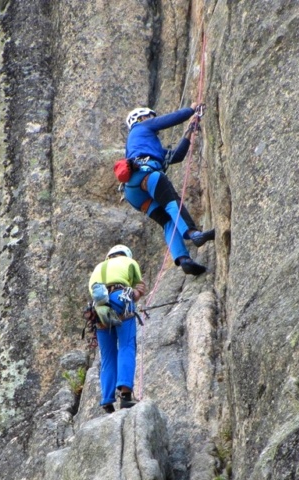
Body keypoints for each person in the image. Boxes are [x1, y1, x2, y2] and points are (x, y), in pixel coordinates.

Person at [123, 103, 215, 276]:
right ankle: (193, 233)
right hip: (147, 174)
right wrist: (191, 109)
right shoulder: (141, 126)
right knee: (172, 203)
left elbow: (176, 156)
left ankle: (184, 260)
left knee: (167, 222)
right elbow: (169, 120)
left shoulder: (144, 145)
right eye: (150, 116)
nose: (152, 119)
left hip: (133, 193)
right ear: (141, 117)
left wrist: (189, 131)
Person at [89, 244, 147, 413]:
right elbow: (138, 287)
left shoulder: (97, 268)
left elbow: (93, 290)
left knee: (107, 356)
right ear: (125, 254)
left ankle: (107, 400)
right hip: (121, 299)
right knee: (126, 346)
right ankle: (126, 395)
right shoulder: (129, 262)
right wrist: (137, 293)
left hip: (98, 309)